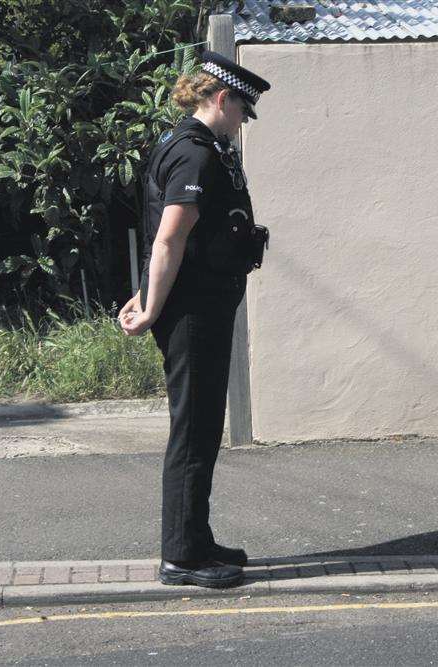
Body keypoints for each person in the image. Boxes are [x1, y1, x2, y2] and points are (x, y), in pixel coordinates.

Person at [119, 51, 271, 589]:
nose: (241, 123)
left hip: (196, 306)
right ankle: (181, 556)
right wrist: (152, 306)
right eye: (240, 112)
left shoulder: (188, 146)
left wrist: (145, 297)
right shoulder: (196, 155)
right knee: (193, 431)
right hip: (191, 312)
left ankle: (195, 538)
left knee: (204, 429)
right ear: (222, 98)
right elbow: (169, 237)